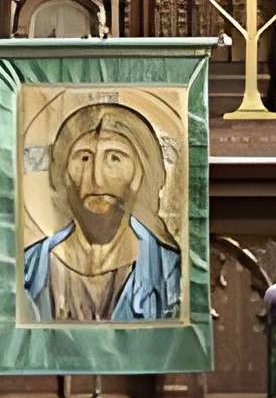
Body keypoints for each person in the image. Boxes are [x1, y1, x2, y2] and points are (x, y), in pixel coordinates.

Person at [20, 98, 182, 323]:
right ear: (63, 175)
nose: (96, 177)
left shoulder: (169, 270)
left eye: (115, 158)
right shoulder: (30, 268)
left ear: (140, 174)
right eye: (84, 157)